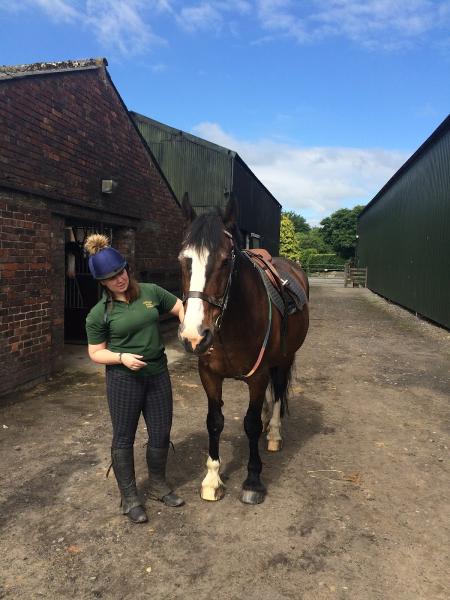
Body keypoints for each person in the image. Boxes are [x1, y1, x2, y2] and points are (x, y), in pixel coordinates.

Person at [84, 234, 185, 524]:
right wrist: (121, 357)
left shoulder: (151, 292)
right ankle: (129, 498)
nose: (119, 279)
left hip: (158, 374)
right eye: (111, 277)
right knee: (123, 437)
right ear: (102, 282)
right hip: (123, 380)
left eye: (121, 271)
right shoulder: (99, 314)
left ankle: (157, 485)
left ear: (127, 268)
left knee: (161, 432)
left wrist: (187, 328)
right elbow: (95, 353)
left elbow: (179, 306)